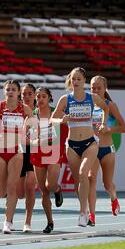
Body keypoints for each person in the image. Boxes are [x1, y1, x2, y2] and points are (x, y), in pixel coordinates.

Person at [51, 67, 109, 227]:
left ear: (84, 81)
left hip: (90, 142)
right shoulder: (65, 99)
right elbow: (52, 119)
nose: (75, 82)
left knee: (84, 174)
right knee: (79, 181)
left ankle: (83, 212)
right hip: (72, 145)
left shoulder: (92, 97)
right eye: (73, 79)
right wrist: (61, 120)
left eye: (78, 79)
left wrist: (103, 123)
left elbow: (106, 108)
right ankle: (84, 209)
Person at [0, 80, 34, 234]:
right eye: (8, 89)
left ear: (18, 92)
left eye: (13, 89)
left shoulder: (24, 108)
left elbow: (35, 125)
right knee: (1, 190)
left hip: (16, 151)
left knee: (12, 188)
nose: (10, 92)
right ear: (4, 92)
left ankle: (7, 222)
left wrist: (30, 134)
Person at [88, 76, 125, 226]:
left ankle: (113, 197)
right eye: (93, 88)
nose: (96, 90)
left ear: (105, 89)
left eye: (98, 88)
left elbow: (124, 128)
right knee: (92, 179)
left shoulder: (111, 105)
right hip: (91, 148)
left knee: (107, 184)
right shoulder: (87, 104)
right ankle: (92, 215)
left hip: (107, 149)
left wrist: (109, 129)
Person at [28, 87, 63, 234]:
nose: (40, 99)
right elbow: (27, 135)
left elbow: (68, 125)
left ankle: (57, 189)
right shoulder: (32, 115)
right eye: (38, 96)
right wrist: (32, 141)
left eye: (43, 96)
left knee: (50, 185)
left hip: (54, 151)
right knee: (43, 191)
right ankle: (50, 222)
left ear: (49, 98)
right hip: (37, 153)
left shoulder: (56, 112)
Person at [16, 83, 37, 233]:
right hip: (18, 151)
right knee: (19, 193)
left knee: (30, 185)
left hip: (34, 150)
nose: (27, 97)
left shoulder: (39, 111)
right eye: (24, 94)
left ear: (35, 95)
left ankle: (27, 222)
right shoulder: (15, 111)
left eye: (30, 93)